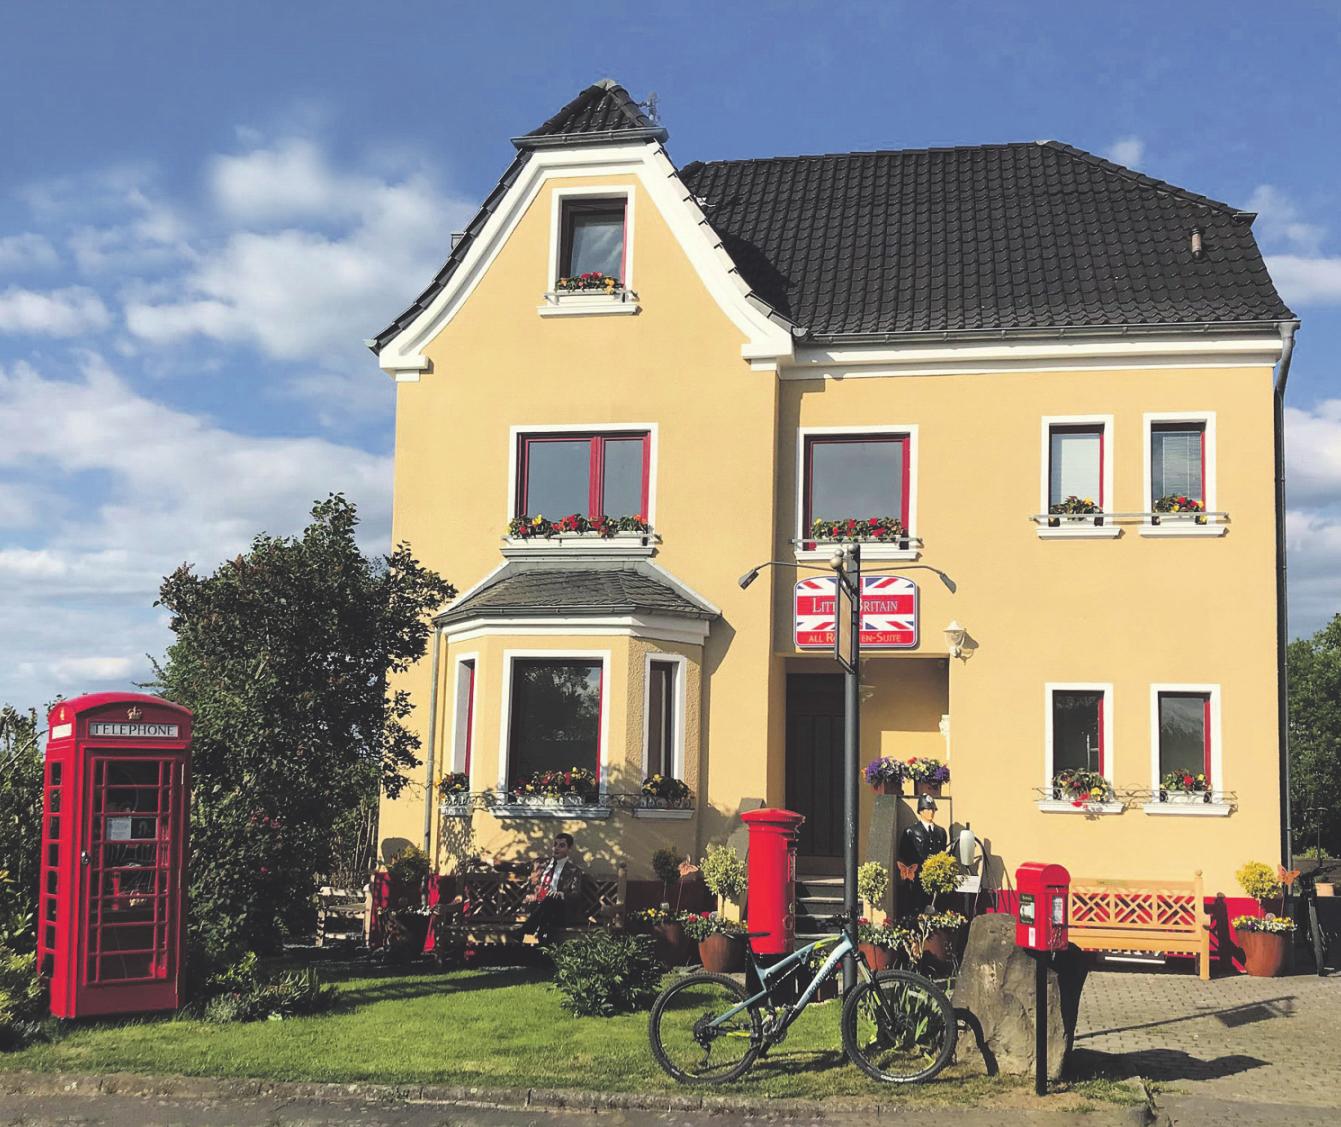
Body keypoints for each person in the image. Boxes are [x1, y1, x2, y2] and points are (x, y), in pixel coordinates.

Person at [521, 832, 585, 945]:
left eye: (562, 845)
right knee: (548, 903)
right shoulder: (541, 864)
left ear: (569, 848)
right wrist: (491, 862)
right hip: (538, 908)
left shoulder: (574, 871)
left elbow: (576, 895)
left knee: (551, 899)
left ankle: (524, 930)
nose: (556, 848)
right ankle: (540, 935)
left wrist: (562, 894)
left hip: (560, 913)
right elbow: (518, 867)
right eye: (555, 844)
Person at [898, 794, 949, 916]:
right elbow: (904, 854)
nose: (930, 812)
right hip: (917, 879)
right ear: (920, 811)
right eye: (927, 809)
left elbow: (942, 853)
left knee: (935, 909)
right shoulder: (911, 831)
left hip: (935, 879)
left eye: (932, 809)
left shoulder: (941, 832)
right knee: (916, 909)